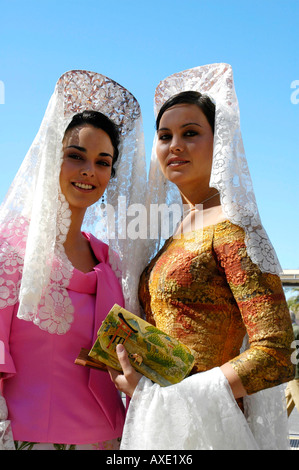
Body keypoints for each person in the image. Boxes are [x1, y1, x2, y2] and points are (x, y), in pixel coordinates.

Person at [109, 63, 295, 450]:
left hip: (208, 430)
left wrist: (175, 395)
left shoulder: (235, 228)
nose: (174, 145)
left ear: (220, 142)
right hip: (157, 421)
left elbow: (275, 352)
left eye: (190, 133)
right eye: (165, 135)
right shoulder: (173, 232)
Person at [0, 70, 146, 450]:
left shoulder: (113, 263)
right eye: (75, 156)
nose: (88, 171)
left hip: (108, 438)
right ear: (52, 158)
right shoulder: (10, 248)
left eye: (102, 161)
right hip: (27, 437)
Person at [285, 313, 299, 416]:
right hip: (295, 372)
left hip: (295, 372)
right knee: (287, 400)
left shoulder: (289, 332)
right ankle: (276, 427)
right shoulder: (297, 329)